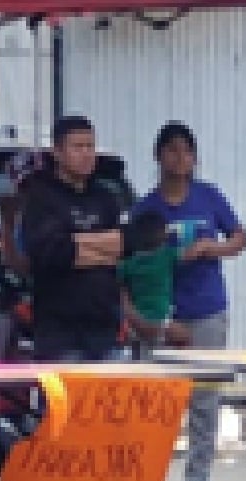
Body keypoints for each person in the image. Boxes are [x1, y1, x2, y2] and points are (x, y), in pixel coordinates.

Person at [133, 121, 246, 481]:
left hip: (208, 310)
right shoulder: (146, 208)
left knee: (205, 402)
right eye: (172, 150)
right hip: (161, 314)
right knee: (157, 405)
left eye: (187, 151)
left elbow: (239, 238)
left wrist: (211, 248)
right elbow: (128, 262)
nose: (180, 158)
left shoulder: (208, 196)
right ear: (158, 156)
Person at [17, 116, 165, 362]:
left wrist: (79, 244)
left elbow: (126, 244)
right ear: (57, 152)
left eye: (90, 146)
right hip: (60, 335)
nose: (86, 154)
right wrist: (103, 247)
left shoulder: (105, 197)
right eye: (78, 147)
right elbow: (53, 253)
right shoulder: (41, 198)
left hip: (105, 332)